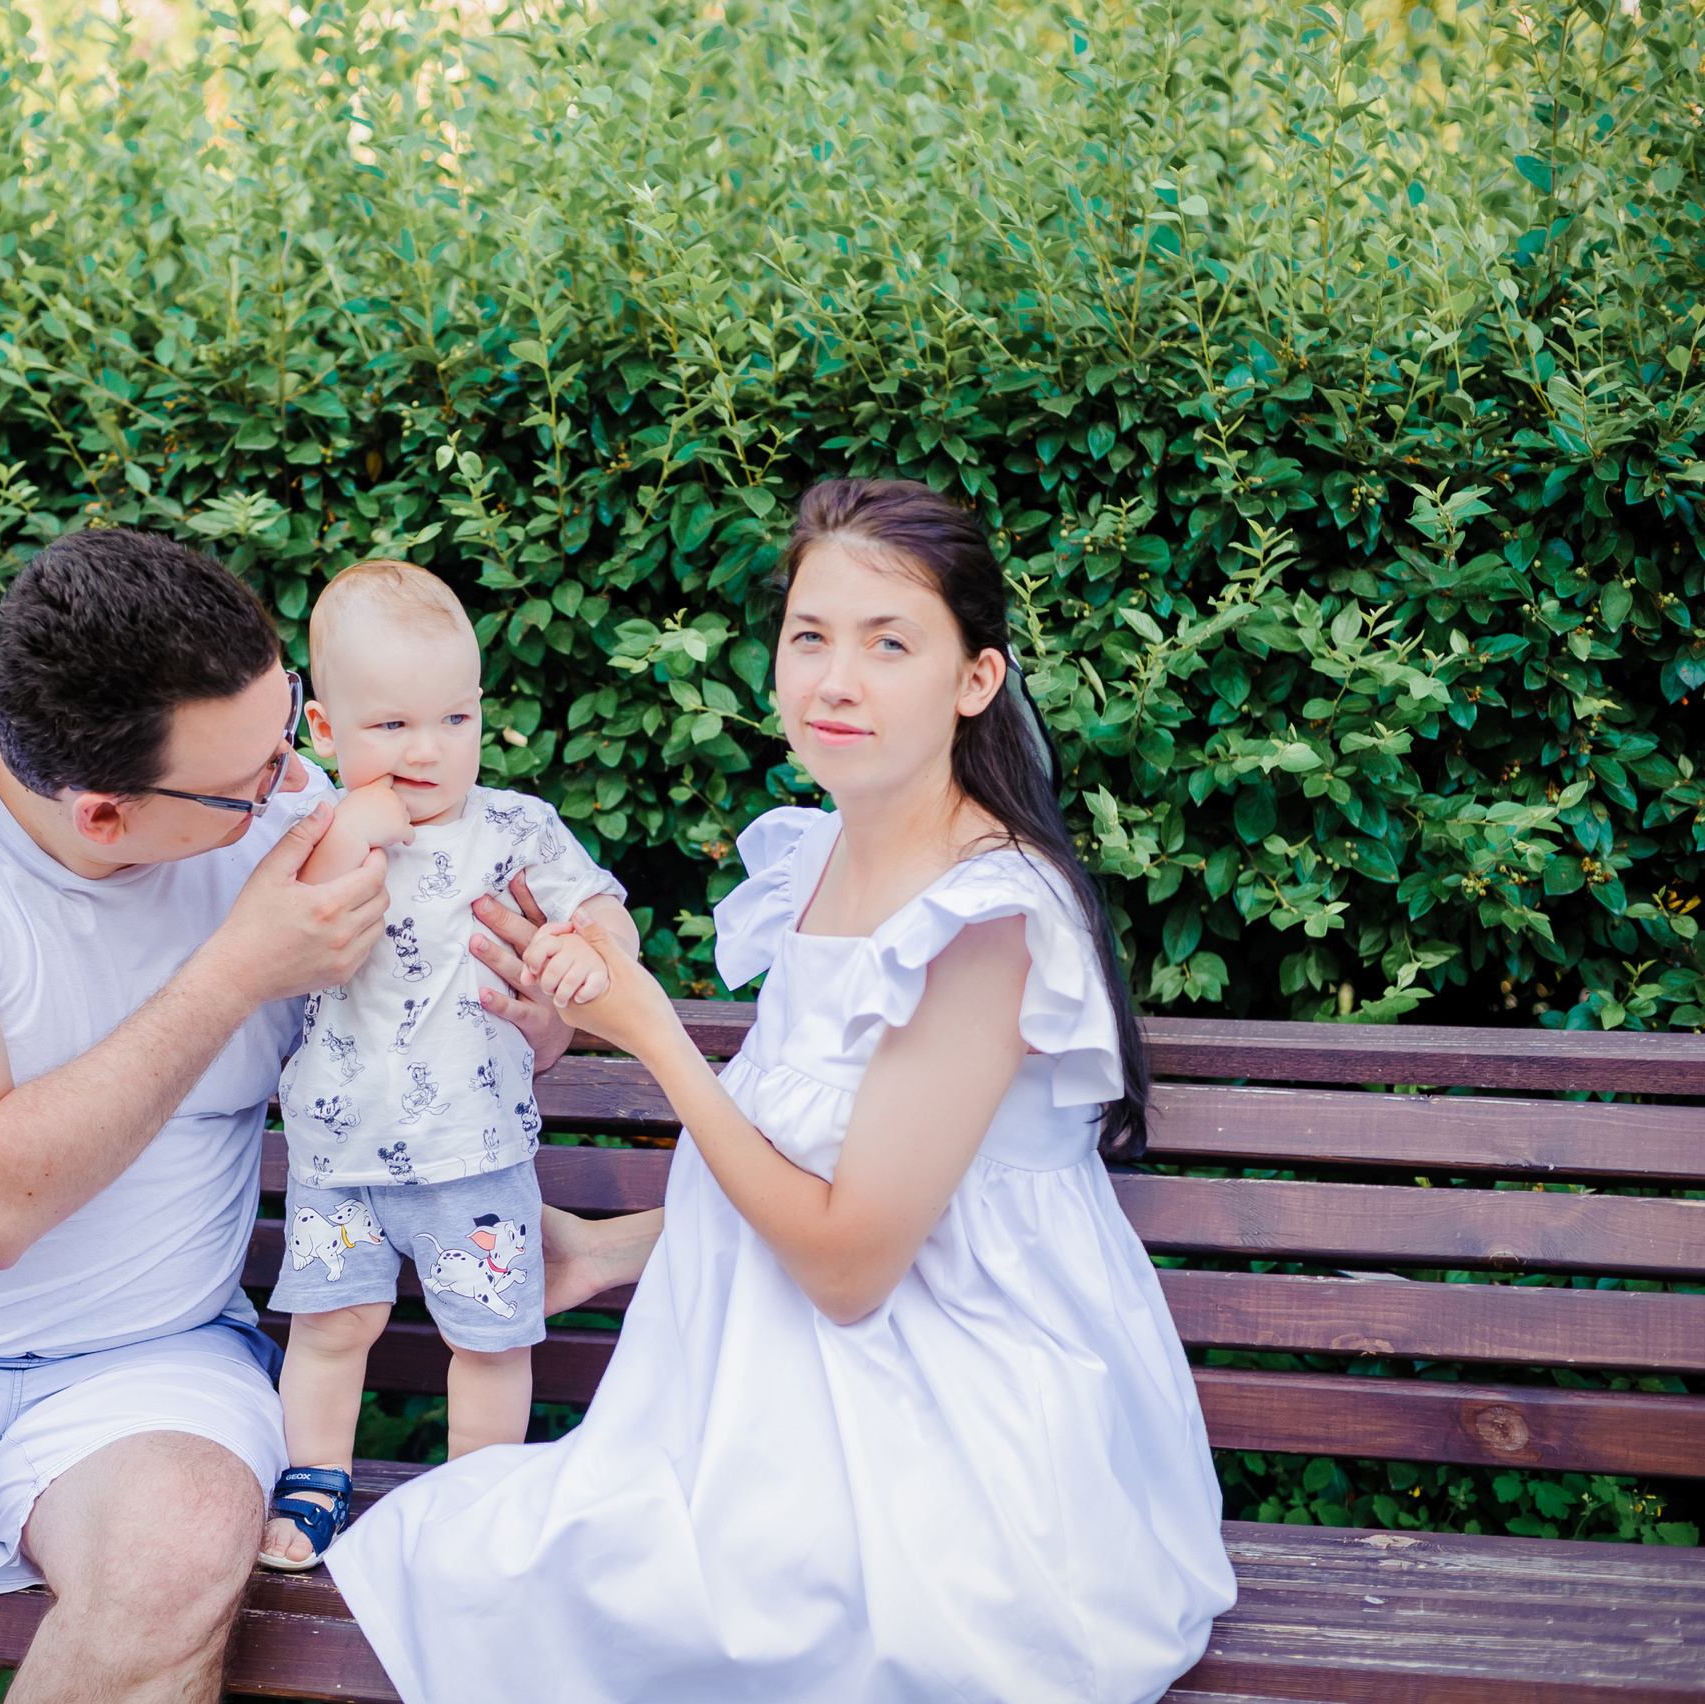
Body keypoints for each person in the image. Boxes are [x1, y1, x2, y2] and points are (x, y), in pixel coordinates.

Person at [0, 527, 653, 1704]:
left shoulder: (304, 821)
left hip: (148, 1358)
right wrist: (235, 969)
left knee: (174, 1557)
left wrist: (525, 1024)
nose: (295, 785)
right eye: (252, 782)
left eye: (287, 736)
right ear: (104, 817)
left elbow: (446, 1035)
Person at [327, 479, 1238, 1703]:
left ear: (976, 679)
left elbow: (853, 1265)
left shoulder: (983, 918)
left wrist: (649, 1033)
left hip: (957, 1436)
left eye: (889, 643)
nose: (833, 681)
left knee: (554, 1589)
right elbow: (853, 1167)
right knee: (484, 1566)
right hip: (771, 1392)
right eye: (808, 637)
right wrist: (610, 1252)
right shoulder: (825, 854)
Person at [254, 561, 639, 1572]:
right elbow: (267, 928)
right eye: (391, 727)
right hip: (340, 1156)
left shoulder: (512, 830)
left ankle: (476, 1504)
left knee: (491, 1339)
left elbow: (597, 903)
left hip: (473, 1152)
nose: (428, 751)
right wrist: (349, 833)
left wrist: (593, 945)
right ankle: (313, 1483)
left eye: (454, 720)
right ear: (327, 733)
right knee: (333, 1324)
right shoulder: (307, 837)